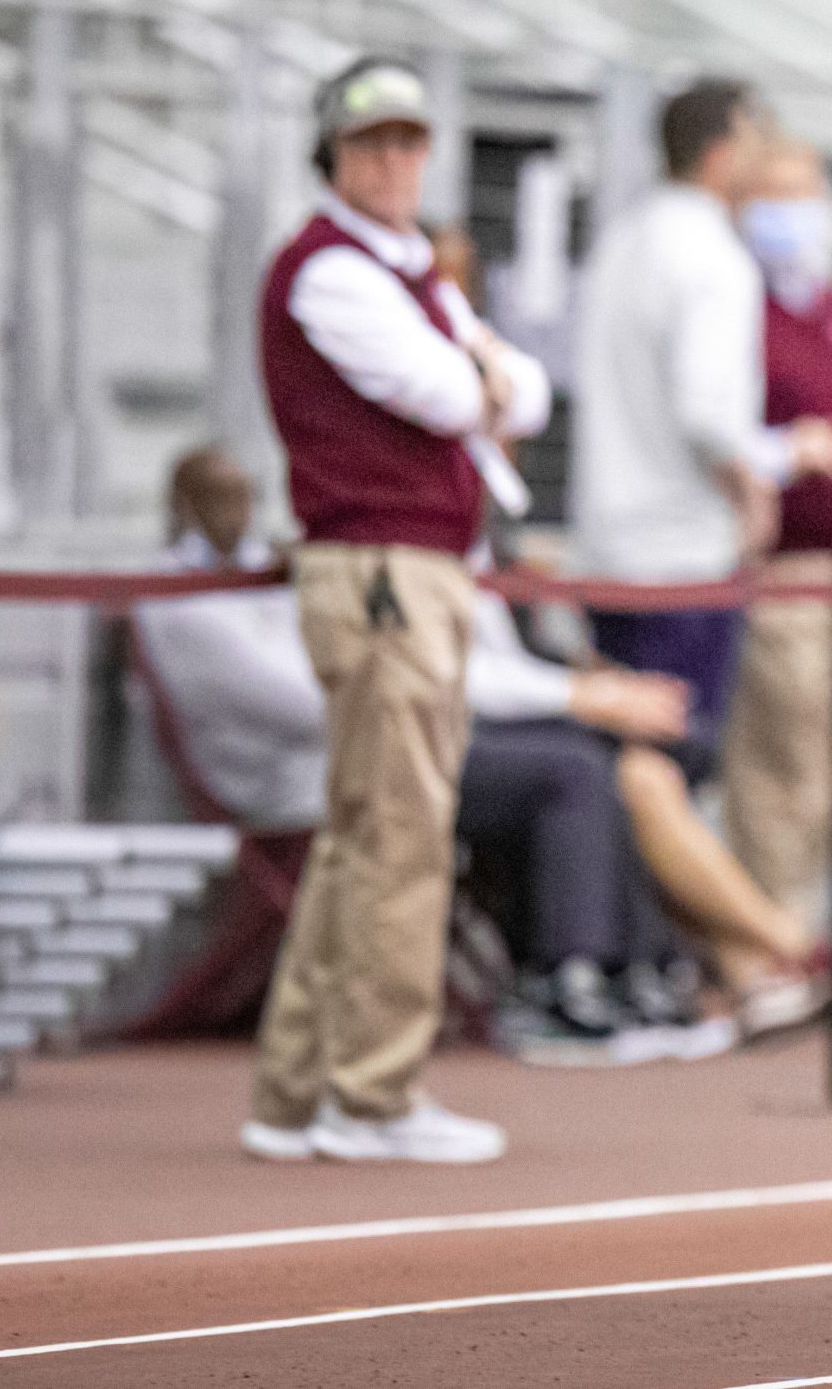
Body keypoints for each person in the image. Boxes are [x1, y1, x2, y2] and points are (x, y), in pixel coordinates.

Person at [139, 449, 826, 1065]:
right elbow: (337, 689)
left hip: (411, 735)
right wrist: (578, 694)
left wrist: (581, 691)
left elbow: (433, 665)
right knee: (579, 769)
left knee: (634, 759)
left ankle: (690, 968)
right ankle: (686, 961)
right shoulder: (215, 593)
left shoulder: (315, 565)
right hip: (338, 767)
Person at [247, 58, 550, 1163]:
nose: (394, 160)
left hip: (400, 568)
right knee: (402, 834)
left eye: (409, 141)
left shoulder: (401, 264)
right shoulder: (333, 270)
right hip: (383, 568)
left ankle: (296, 1090)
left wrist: (484, 374)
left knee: (362, 835)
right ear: (332, 151)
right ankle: (369, 1094)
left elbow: (522, 382)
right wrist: (484, 376)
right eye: (373, 142)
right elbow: (452, 392)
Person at [569, 80, 832, 786]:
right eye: (755, 143)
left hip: (608, 551)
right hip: (680, 562)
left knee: (619, 775)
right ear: (723, 154)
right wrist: (787, 454)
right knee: (668, 775)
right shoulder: (714, 257)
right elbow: (706, 414)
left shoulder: (623, 239)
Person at [722, 138, 832, 927]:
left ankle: (801, 930)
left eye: (803, 190)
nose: (790, 210)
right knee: (783, 771)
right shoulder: (733, 307)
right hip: (779, 574)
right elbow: (713, 432)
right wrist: (787, 457)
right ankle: (771, 938)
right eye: (772, 193)